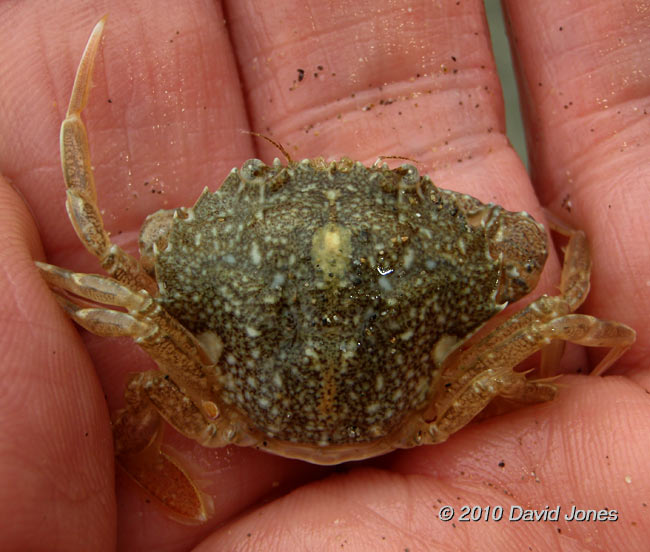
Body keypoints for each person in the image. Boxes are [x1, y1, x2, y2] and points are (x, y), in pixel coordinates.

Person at [0, 1, 647, 550]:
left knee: (138, 326)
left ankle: (155, 479)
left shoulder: (207, 372)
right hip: (440, 431)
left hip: (238, 416)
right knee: (547, 317)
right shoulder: (439, 255)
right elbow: (549, 292)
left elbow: (106, 256)